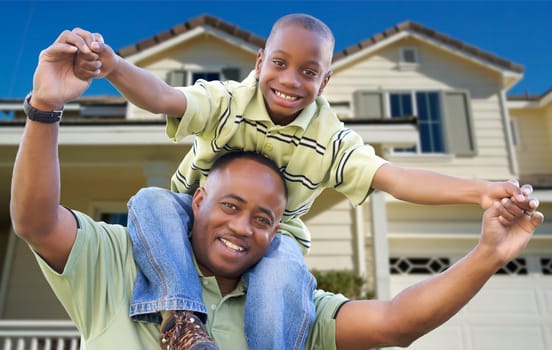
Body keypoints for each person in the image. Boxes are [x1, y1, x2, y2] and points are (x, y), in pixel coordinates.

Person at [10, 29, 545, 350]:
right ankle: (181, 319)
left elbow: (395, 187)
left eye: (309, 71)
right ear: (260, 62)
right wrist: (91, 80)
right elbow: (164, 99)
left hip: (286, 254)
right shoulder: (119, 261)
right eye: (231, 206)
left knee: (286, 266)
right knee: (148, 202)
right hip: (169, 220)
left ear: (326, 81)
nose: (291, 80)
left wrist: (482, 212)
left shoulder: (288, 292)